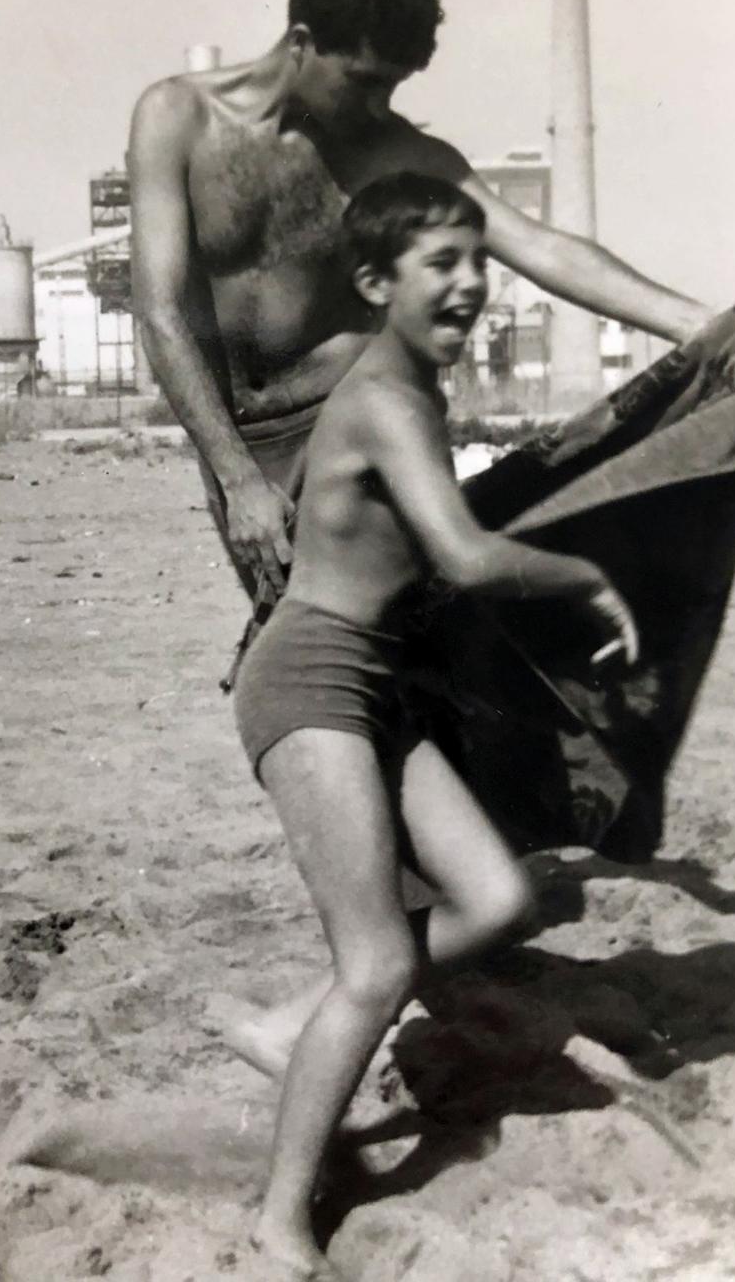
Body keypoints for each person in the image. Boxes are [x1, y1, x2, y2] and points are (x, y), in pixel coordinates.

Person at [230, 173, 639, 1280]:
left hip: (375, 688)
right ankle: (278, 1219)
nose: (470, 284)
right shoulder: (384, 396)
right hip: (311, 682)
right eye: (440, 265)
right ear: (375, 282)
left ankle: (286, 1029)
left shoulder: (413, 387)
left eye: (477, 260)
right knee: (372, 965)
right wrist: (586, 576)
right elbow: (464, 555)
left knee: (500, 896)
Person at [127, 0, 711, 608]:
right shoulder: (176, 118)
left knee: (375, 626)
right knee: (289, 623)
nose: (380, 108)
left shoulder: (392, 150)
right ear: (303, 42)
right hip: (238, 438)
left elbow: (538, 245)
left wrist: (698, 324)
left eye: (394, 88)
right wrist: (237, 477)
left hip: (350, 417)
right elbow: (161, 310)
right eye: (364, 82)